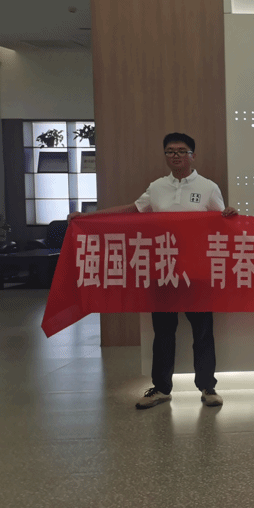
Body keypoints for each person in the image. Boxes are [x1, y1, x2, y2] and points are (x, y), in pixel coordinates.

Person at [71, 133, 237, 409]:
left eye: (182, 151)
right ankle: (161, 389)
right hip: (163, 269)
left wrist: (232, 215)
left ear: (193, 155)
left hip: (197, 272)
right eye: (170, 151)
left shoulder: (208, 187)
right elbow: (131, 210)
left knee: (203, 332)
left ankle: (208, 387)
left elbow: (223, 222)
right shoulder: (157, 187)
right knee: (163, 332)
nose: (176, 156)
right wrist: (88, 217)